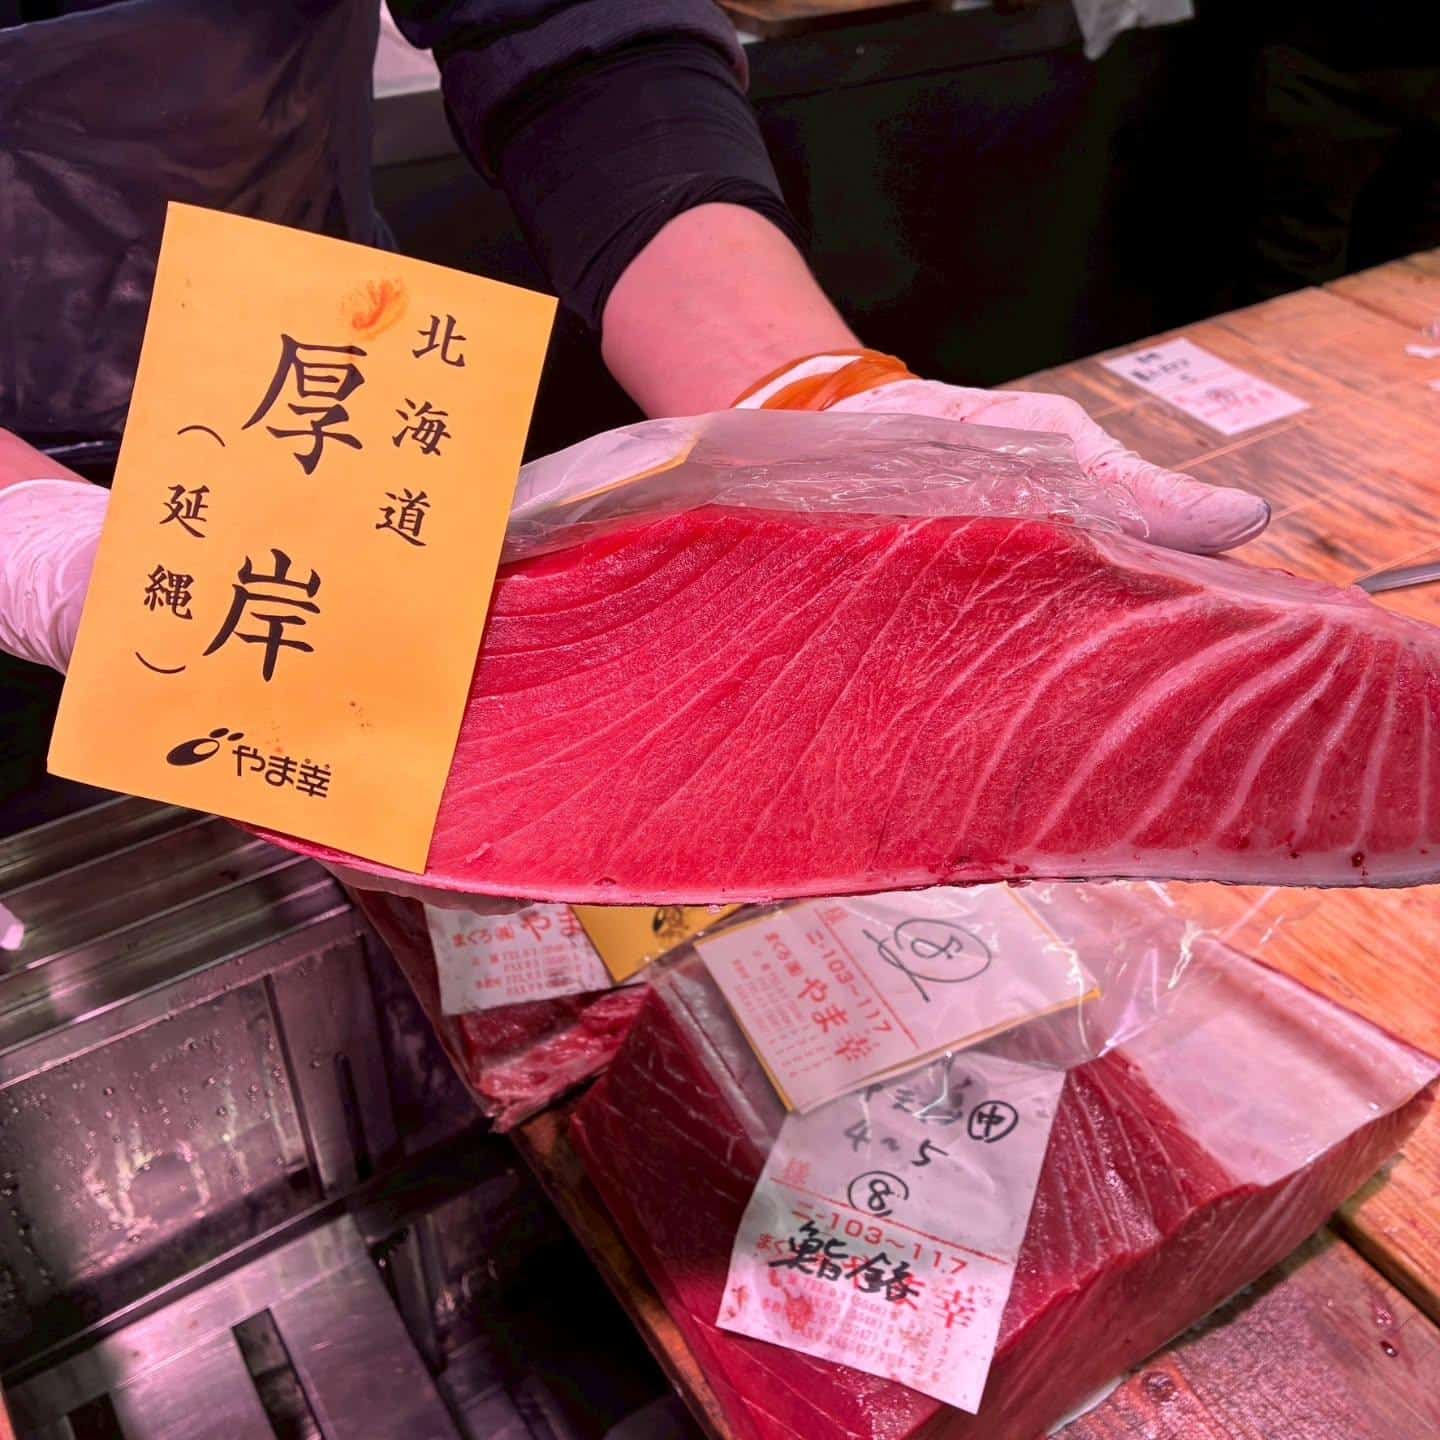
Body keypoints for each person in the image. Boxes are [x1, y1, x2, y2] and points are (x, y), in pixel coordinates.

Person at [0, 0, 1270, 862]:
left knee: (396, 853)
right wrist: (27, 525)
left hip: (298, 399)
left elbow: (566, 26)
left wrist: (796, 382)